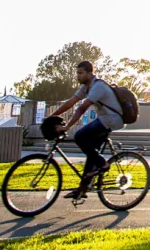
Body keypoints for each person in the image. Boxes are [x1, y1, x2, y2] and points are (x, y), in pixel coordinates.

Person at [46, 60, 126, 199]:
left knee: (80, 136)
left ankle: (103, 163)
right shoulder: (86, 87)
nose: (78, 76)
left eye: (81, 73)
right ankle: (82, 190)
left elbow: (82, 107)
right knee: (91, 153)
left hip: (112, 119)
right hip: (105, 118)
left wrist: (67, 126)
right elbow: (70, 102)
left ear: (90, 73)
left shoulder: (98, 86)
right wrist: (51, 116)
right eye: (77, 73)